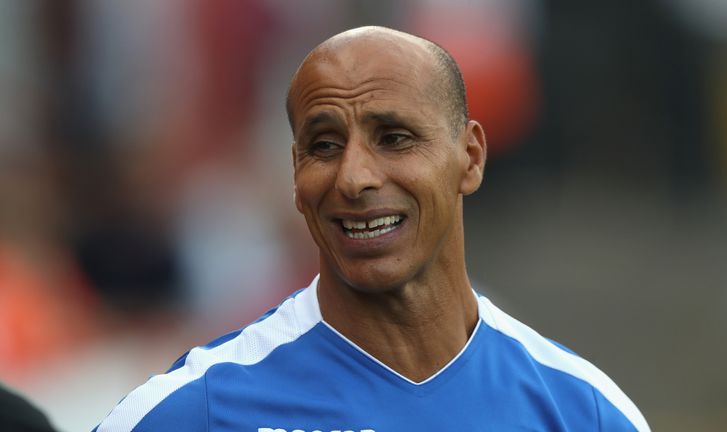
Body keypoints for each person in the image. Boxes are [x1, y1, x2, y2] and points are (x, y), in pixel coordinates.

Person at [94, 26, 650, 432]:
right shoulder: (199, 409)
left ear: (471, 158)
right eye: (324, 146)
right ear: (295, 177)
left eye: (395, 138)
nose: (354, 177)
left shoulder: (585, 412)